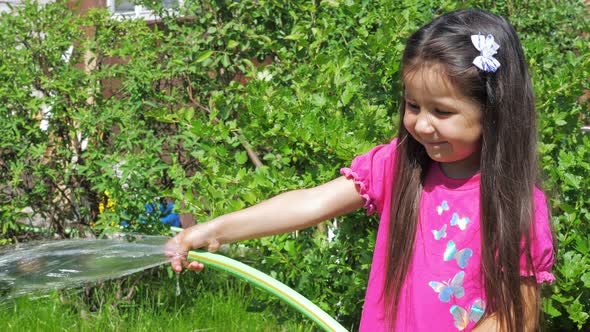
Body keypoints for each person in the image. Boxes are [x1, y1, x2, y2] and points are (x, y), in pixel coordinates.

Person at [165, 8, 554, 332]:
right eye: (413, 106)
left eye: (442, 111)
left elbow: (515, 316)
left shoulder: (517, 205)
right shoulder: (400, 167)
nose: (421, 125)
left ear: (494, 112)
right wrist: (214, 229)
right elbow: (310, 204)